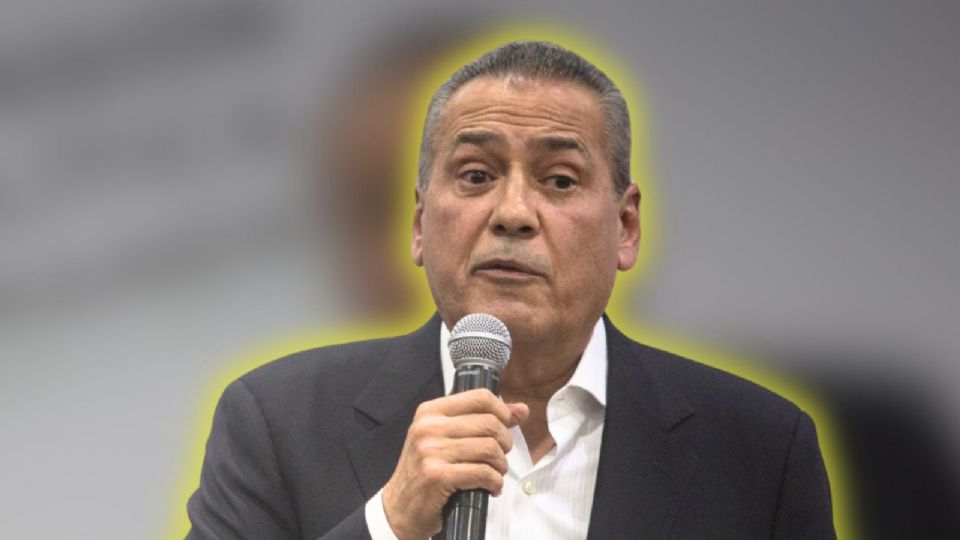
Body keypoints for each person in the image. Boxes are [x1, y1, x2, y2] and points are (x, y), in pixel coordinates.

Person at [186, 41, 836, 540]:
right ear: (419, 224)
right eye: (476, 175)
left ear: (626, 227)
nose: (513, 213)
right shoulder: (276, 423)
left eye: (559, 180)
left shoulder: (760, 450)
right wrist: (390, 522)